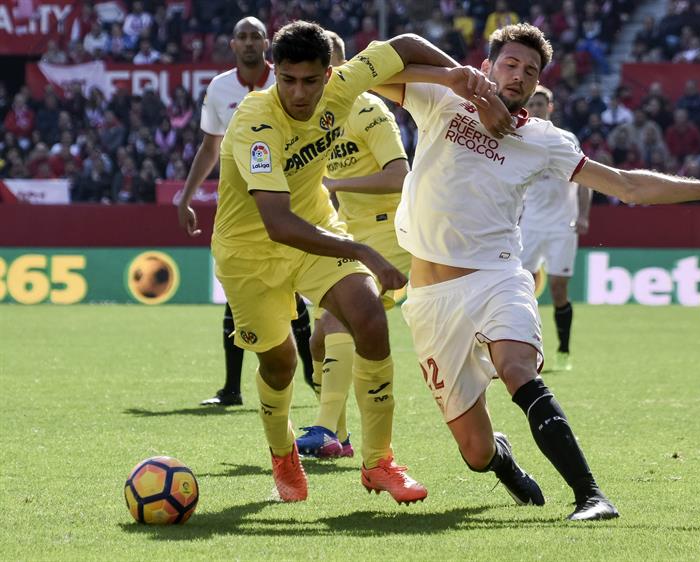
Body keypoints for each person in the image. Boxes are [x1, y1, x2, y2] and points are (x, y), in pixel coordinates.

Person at [375, 23, 700, 520]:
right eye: (510, 64)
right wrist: (452, 77)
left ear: (539, 84)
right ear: (489, 64)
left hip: (496, 278)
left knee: (517, 370)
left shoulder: (544, 140)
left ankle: (591, 495)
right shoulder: (443, 98)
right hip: (430, 300)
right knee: (475, 453)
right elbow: (376, 68)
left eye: (530, 71)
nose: (518, 77)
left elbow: (627, 185)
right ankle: (502, 460)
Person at [212, 20, 497, 503]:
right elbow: (277, 222)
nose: (298, 93)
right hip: (250, 252)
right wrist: (363, 250)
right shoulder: (253, 123)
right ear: (273, 72)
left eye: (309, 80)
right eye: (287, 79)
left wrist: (459, 81)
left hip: (316, 230)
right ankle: (283, 454)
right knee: (279, 365)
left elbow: (404, 45)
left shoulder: (345, 88)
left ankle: (378, 462)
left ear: (330, 74)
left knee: (368, 319)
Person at [176, 17, 315, 408]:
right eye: (243, 36)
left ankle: (311, 375)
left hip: (286, 197)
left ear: (267, 43)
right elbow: (210, 146)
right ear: (232, 44)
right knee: (239, 295)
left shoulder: (287, 80)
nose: (250, 42)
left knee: (292, 291)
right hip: (241, 203)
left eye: (256, 36)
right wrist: (186, 195)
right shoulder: (220, 88)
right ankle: (232, 389)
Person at [294, 31, 411, 459]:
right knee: (318, 342)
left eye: (335, 70)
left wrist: (337, 182)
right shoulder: (306, 120)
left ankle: (325, 428)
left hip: (389, 231)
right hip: (345, 231)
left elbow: (401, 174)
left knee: (339, 320)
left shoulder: (367, 109)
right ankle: (340, 439)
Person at [519, 85, 592, 372]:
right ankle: (528, 348)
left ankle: (563, 349)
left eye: (541, 104)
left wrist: (583, 216)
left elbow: (585, 179)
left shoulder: (567, 139)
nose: (536, 108)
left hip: (563, 225)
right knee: (520, 287)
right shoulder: (520, 138)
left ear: (550, 108)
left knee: (559, 289)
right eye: (532, 103)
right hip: (530, 225)